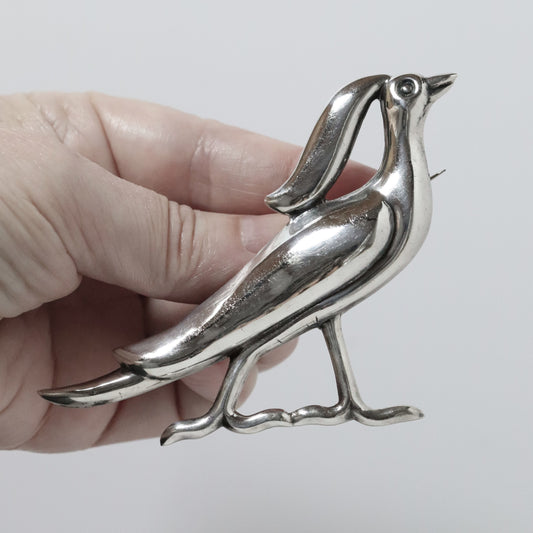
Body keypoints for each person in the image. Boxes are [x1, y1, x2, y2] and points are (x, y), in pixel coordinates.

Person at [0, 92, 373, 452]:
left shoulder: (378, 207)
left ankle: (338, 401)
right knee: (243, 331)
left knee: (262, 331)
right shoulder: (376, 214)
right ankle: (247, 406)